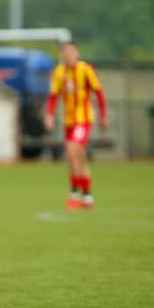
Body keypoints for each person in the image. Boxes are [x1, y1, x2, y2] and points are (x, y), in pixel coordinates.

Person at [44, 41, 107, 209]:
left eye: (70, 51)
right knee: (76, 157)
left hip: (83, 120)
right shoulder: (59, 72)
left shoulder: (85, 69)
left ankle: (74, 195)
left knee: (73, 150)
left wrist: (103, 116)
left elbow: (99, 92)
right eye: (64, 52)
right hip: (69, 121)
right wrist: (49, 115)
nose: (67, 55)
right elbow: (53, 96)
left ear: (77, 53)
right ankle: (86, 197)